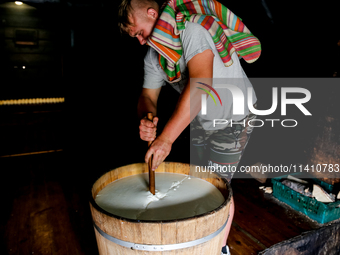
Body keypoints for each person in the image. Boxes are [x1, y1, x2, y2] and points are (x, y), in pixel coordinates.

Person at [118, 0, 261, 254]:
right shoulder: (155, 56)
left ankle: (220, 249)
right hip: (202, 120)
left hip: (235, 115)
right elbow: (147, 98)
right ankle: (200, 244)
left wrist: (166, 138)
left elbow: (201, 84)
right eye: (135, 38)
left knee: (216, 188)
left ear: (152, 14)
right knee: (201, 183)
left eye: (139, 32)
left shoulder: (192, 30)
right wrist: (147, 118)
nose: (140, 41)